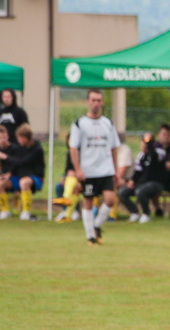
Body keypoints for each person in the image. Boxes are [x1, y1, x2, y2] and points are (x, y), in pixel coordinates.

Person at [69, 89, 121, 245]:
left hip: (106, 170)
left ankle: (96, 226)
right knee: (88, 202)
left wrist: (116, 170)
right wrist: (78, 169)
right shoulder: (80, 124)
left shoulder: (108, 123)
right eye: (93, 100)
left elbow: (114, 147)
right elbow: (73, 148)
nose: (96, 103)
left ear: (102, 102)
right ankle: (90, 236)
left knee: (110, 200)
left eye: (99, 100)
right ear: (87, 102)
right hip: (89, 171)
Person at [118, 133, 168, 224]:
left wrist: (149, 143)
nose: (143, 147)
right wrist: (132, 181)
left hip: (157, 183)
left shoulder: (160, 152)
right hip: (143, 183)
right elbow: (137, 171)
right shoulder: (141, 155)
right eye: (142, 145)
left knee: (140, 191)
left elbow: (154, 157)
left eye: (145, 145)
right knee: (122, 193)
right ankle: (135, 213)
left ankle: (146, 214)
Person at [5, 123, 45, 221]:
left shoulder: (37, 149)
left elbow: (23, 161)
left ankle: (26, 212)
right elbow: (16, 163)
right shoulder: (19, 148)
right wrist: (9, 173)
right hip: (19, 176)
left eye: (19, 138)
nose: (18, 140)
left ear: (25, 138)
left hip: (35, 178)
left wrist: (6, 157)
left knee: (24, 182)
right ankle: (4, 211)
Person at [52, 133, 83, 223]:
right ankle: (66, 211)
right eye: (68, 141)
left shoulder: (84, 152)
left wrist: (77, 176)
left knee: (76, 187)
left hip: (84, 179)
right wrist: (64, 177)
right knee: (59, 187)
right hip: (72, 179)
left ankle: (72, 211)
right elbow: (68, 169)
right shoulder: (70, 153)